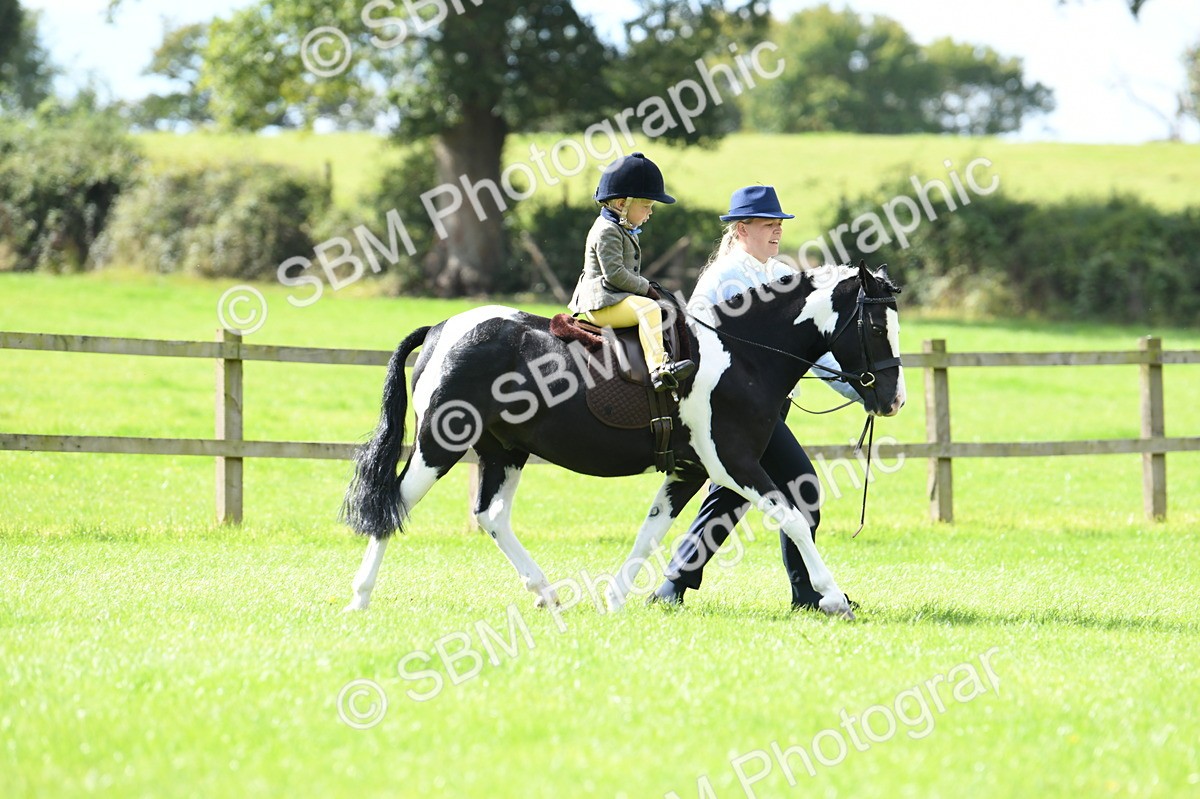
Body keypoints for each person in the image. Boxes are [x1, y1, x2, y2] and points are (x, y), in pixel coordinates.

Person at [649, 185, 862, 609]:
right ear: (741, 229)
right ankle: (807, 594)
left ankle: (671, 588)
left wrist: (857, 391)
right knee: (801, 485)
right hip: (733, 408)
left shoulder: (781, 275)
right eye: (768, 224)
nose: (777, 231)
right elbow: (703, 342)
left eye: (779, 224)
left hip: (768, 407)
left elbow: (810, 349)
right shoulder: (724, 278)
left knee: (731, 494)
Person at [569, 152, 695, 392]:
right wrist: (645, 288)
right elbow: (615, 274)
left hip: (615, 297)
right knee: (648, 309)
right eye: (646, 206)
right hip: (601, 303)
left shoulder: (621, 228)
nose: (650, 212)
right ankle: (659, 368)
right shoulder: (607, 231)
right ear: (621, 204)